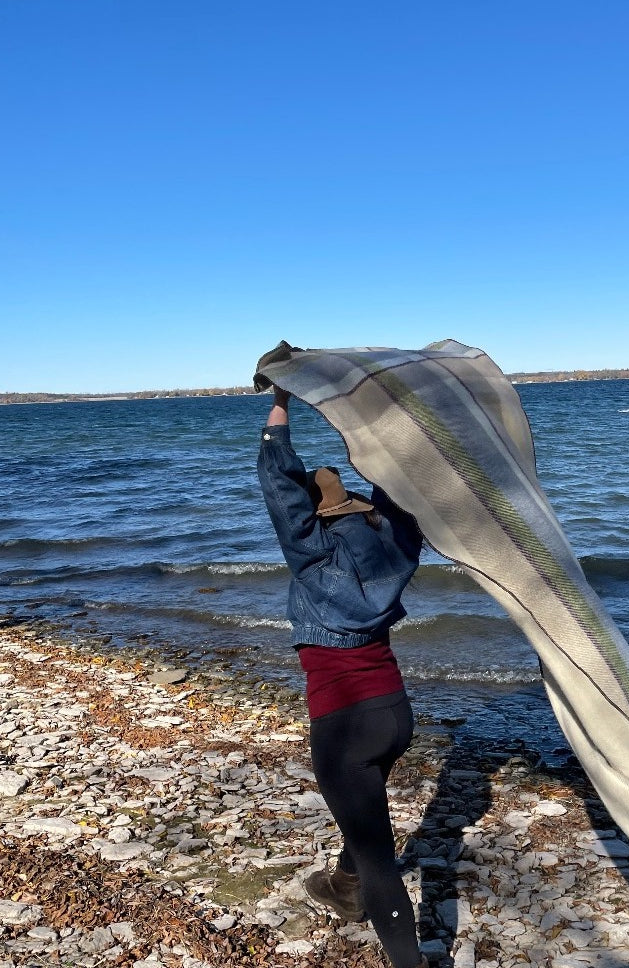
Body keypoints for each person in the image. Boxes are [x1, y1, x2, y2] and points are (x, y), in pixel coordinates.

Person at [257, 384, 427, 968]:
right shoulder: (397, 549)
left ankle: (409, 958)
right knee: (363, 816)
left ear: (319, 519)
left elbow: (282, 487)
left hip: (344, 723)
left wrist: (280, 402)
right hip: (395, 712)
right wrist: (379, 423)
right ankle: (345, 889)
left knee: (380, 855)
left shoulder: (312, 556)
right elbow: (400, 493)